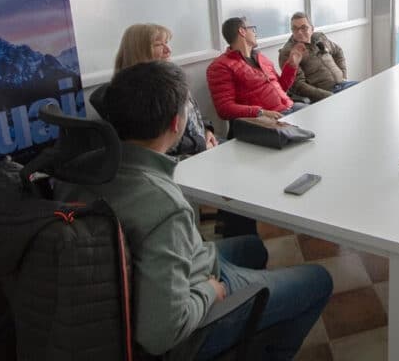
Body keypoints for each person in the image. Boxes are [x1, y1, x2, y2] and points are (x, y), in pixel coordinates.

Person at [58, 61, 333, 360]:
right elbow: (160, 333)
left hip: (144, 288)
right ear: (176, 123)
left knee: (253, 247)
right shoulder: (164, 204)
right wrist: (209, 292)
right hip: (189, 323)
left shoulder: (82, 169)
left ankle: (254, 323)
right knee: (319, 280)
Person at [90, 23, 218, 158]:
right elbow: (158, 141)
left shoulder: (169, 79)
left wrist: (207, 130)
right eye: (158, 45)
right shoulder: (136, 94)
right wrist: (201, 143)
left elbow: (191, 112)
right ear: (138, 51)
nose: (168, 49)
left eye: (167, 42)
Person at [207, 16, 306, 120]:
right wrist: (261, 113)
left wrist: (291, 65)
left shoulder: (261, 58)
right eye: (252, 29)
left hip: (290, 107)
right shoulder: (220, 66)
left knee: (319, 114)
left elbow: (281, 87)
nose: (255, 34)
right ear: (242, 31)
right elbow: (224, 109)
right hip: (266, 120)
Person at [278, 12, 358, 102]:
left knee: (365, 91)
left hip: (342, 85)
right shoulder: (289, 52)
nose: (299, 32)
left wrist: (343, 75)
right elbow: (298, 85)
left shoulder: (319, 38)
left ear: (312, 28)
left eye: (304, 28)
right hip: (324, 94)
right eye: (295, 29)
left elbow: (338, 51)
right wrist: (329, 96)